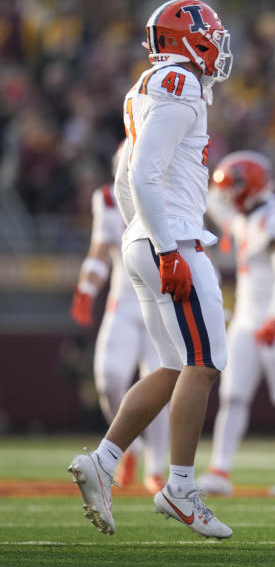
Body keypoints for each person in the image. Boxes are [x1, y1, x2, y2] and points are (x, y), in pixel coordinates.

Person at [67, 0, 233, 539]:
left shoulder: (149, 88)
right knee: (205, 363)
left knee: (172, 366)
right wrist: (164, 247)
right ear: (185, 39)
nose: (218, 45)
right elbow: (139, 175)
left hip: (147, 236)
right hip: (172, 240)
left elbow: (123, 178)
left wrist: (141, 235)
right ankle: (180, 487)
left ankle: (104, 460)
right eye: (210, 34)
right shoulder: (179, 86)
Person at [197, 151, 275, 496]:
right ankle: (219, 470)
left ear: (249, 187)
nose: (225, 195)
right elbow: (210, 200)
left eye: (232, 187)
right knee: (232, 396)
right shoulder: (244, 216)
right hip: (247, 319)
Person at [69, 165, 169, 495]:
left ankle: (155, 468)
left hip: (159, 303)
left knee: (159, 384)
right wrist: (87, 287)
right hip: (123, 303)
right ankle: (130, 448)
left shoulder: (170, 191)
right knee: (109, 378)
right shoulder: (108, 199)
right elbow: (100, 247)